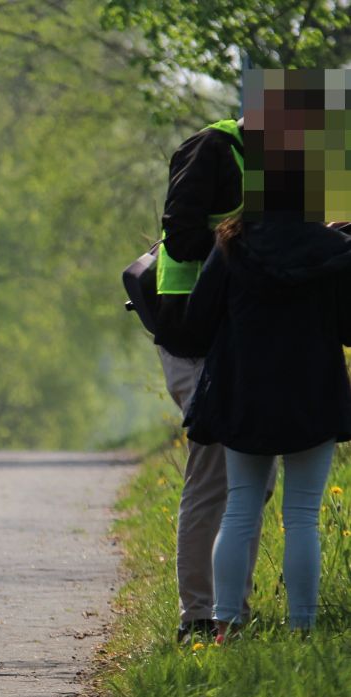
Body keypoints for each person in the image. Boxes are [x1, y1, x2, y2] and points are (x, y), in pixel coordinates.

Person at [182, 68, 351, 638]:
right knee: (302, 516)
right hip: (312, 395)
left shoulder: (230, 243)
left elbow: (197, 322)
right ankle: (302, 628)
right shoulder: (335, 251)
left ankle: (226, 624)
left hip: (244, 395)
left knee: (240, 508)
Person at [153, 115, 251, 642]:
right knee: (214, 474)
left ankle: (233, 611)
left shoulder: (288, 159)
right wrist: (252, 234)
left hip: (239, 339)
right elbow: (182, 237)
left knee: (251, 482)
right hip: (191, 336)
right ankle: (197, 615)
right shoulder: (210, 148)